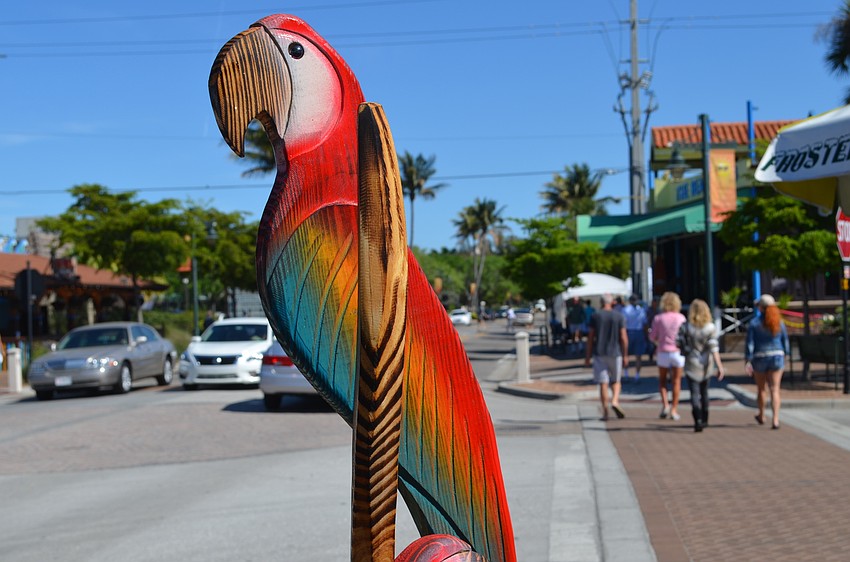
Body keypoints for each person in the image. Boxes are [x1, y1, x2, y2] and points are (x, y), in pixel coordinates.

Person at [745, 293, 790, 429]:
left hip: (760, 356)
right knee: (775, 389)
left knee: (761, 389)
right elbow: (785, 340)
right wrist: (786, 355)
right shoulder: (778, 322)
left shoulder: (754, 323)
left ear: (761, 308)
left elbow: (750, 343)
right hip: (777, 356)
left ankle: (762, 414)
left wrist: (748, 359)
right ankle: (775, 419)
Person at [681, 299, 725, 432]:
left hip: (691, 363)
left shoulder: (686, 326)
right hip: (706, 364)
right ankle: (705, 418)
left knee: (694, 393)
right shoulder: (710, 328)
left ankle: (697, 420)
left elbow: (679, 343)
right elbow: (714, 348)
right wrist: (720, 366)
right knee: (704, 393)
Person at [585, 293, 628, 421]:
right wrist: (625, 354)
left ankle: (605, 412)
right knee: (616, 380)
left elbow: (590, 337)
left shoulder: (596, 316)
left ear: (601, 302)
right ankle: (615, 400)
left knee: (603, 383)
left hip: (599, 352)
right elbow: (623, 337)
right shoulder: (619, 316)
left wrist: (587, 356)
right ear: (612, 302)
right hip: (615, 352)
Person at [649, 291, 686, 421]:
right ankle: (674, 409)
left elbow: (652, 336)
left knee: (662, 381)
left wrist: (658, 342)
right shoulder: (681, 318)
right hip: (677, 352)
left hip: (663, 351)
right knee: (677, 381)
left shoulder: (659, 318)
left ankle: (665, 404)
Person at [622, 294, 648, 381]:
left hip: (629, 331)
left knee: (626, 354)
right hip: (638, 331)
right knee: (638, 356)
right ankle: (637, 375)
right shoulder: (641, 310)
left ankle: (626, 373)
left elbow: (623, 323)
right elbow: (645, 323)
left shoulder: (625, 310)